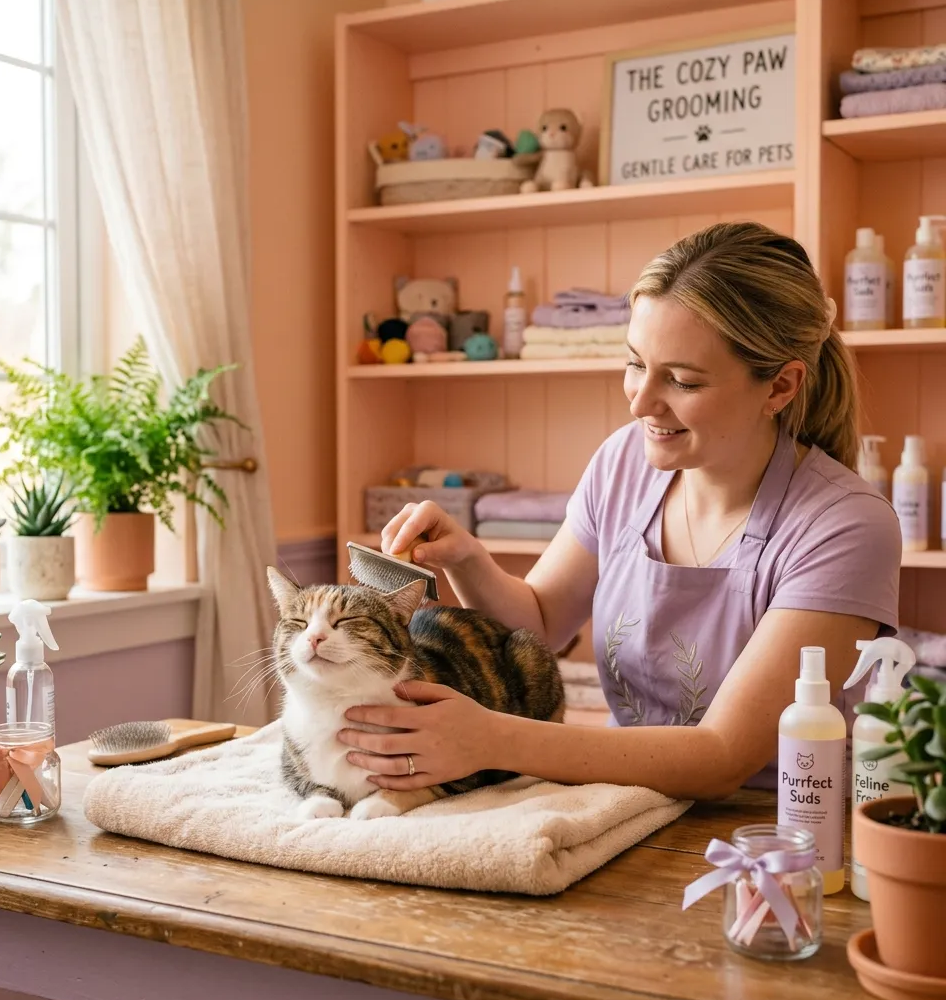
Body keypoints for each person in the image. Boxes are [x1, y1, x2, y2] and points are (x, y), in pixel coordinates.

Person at [337, 222, 902, 801]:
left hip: (783, 835)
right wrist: (466, 558)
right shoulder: (625, 462)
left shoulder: (845, 526)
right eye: (636, 363)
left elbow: (722, 757)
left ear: (779, 387)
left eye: (681, 380)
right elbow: (540, 624)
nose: (640, 401)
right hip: (626, 811)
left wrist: (491, 739)